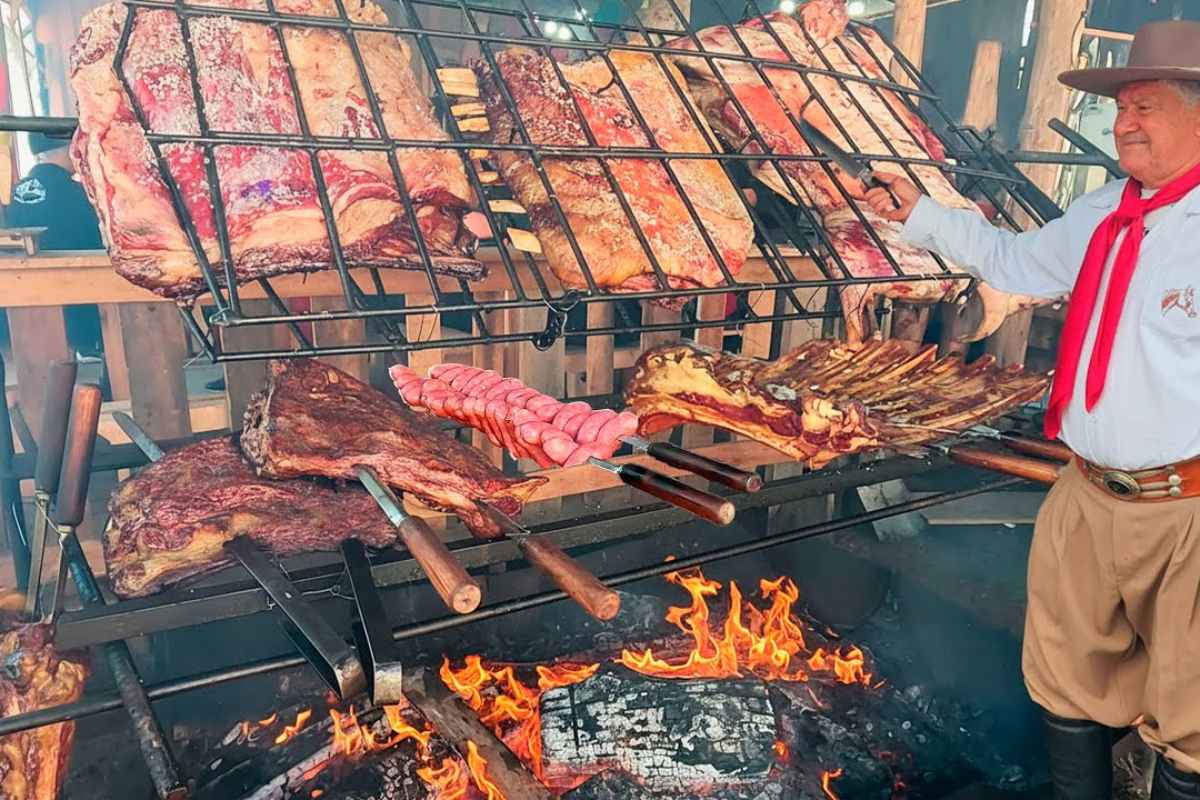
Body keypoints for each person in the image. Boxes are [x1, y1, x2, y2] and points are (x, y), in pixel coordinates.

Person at [863, 20, 1200, 800]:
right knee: (1066, 677)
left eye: (1144, 106)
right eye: (1120, 108)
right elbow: (1013, 263)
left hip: (1187, 507)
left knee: (1191, 709)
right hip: (1085, 494)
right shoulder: (1103, 213)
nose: (1124, 124)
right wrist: (917, 214)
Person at [4, 132, 106, 358]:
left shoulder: (15, 192)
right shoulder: (77, 193)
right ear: (67, 150)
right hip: (79, 292)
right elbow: (94, 238)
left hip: (24, 292)